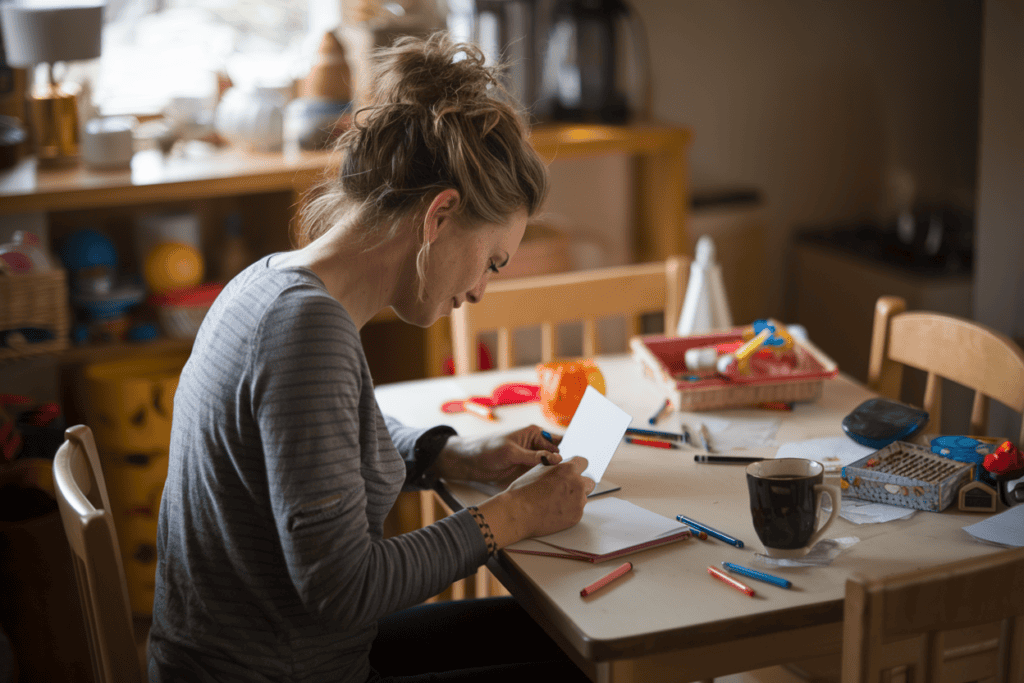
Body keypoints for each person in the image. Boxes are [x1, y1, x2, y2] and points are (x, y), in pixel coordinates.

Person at [148, 32, 595, 682]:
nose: (478, 291)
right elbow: (344, 588)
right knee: (589, 663)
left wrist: (451, 452)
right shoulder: (307, 331)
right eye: (491, 262)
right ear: (440, 214)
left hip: (272, 656)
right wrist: (515, 513)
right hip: (276, 670)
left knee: (567, 638)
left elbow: (311, 441)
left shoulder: (272, 282)